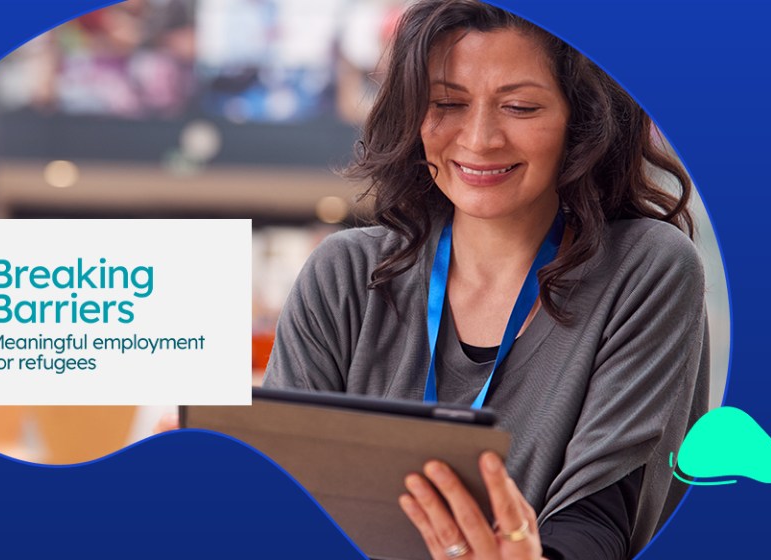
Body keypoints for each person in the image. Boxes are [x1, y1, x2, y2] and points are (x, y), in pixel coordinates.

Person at [261, 1, 710, 559]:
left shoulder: (645, 267)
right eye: (447, 103)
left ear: (582, 121)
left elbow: (600, 521)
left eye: (520, 107)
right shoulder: (345, 275)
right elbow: (283, 497)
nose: (479, 139)